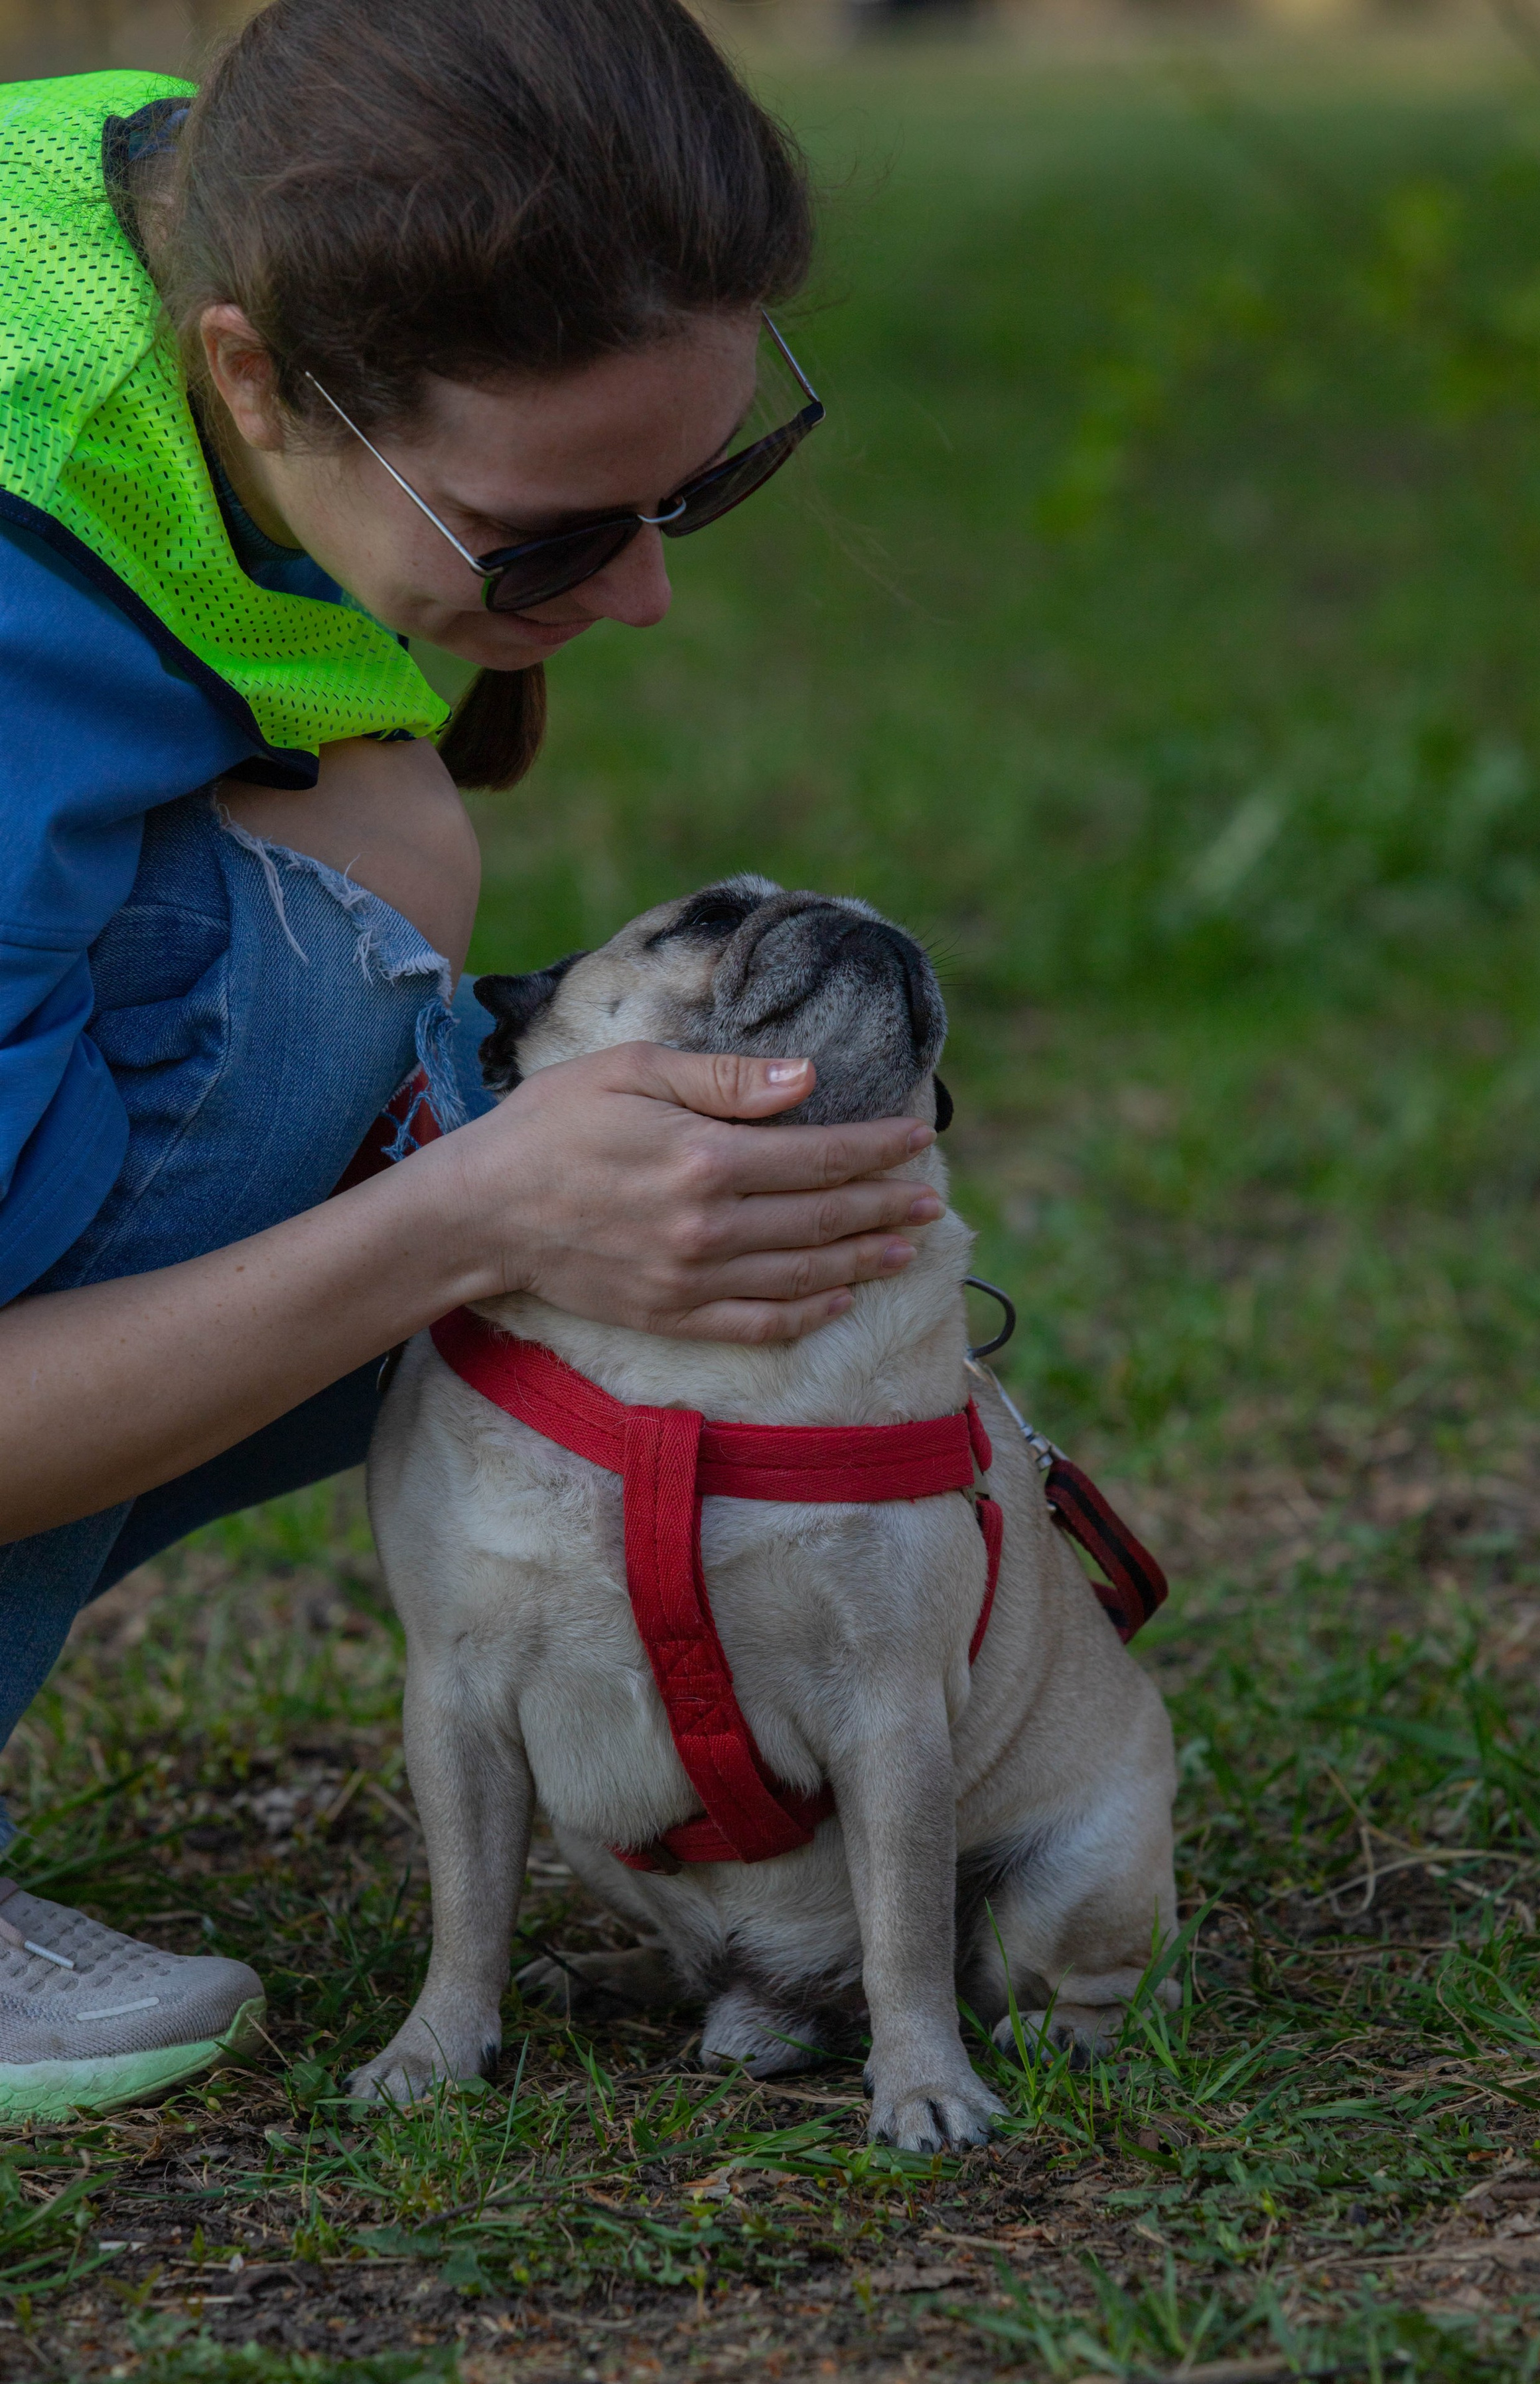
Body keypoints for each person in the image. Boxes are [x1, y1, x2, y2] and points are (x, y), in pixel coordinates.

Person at [0, 0, 944, 2124]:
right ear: (256, 373)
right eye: (544, 537)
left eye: (701, 487)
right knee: (352, 984)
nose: (643, 600)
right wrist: (473, 1208)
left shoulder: (165, 198)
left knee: (384, 860)